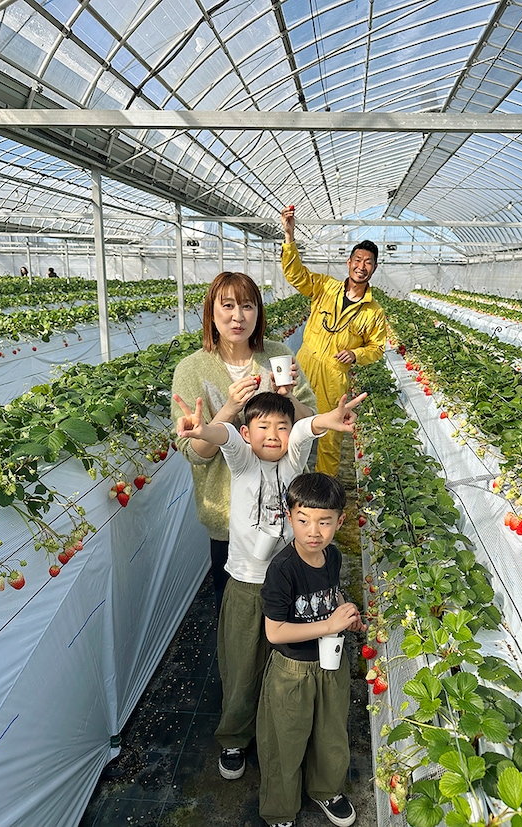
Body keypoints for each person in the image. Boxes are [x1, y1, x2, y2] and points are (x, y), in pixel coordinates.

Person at [173, 389, 366, 785]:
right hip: (247, 582)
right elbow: (224, 437)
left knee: (283, 666)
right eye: (263, 427)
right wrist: (204, 430)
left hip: (292, 583)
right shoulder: (243, 462)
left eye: (281, 426)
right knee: (242, 664)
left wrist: (327, 419)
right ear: (249, 433)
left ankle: (273, 735)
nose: (274, 435)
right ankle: (233, 738)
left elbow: (305, 429)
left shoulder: (294, 458)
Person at [171, 271, 317, 613]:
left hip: (285, 510)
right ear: (211, 313)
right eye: (228, 306)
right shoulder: (191, 370)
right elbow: (196, 454)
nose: (238, 316)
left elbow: (309, 420)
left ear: (258, 313)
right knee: (238, 611)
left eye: (248, 306)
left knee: (291, 605)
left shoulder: (277, 356)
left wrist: (288, 398)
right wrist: (229, 409)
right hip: (227, 515)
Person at [257, 472, 365, 827]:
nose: (313, 531)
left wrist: (345, 613)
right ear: (289, 518)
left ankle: (326, 790)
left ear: (340, 521)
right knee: (284, 741)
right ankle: (280, 809)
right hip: (292, 671)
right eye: (303, 520)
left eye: (324, 522)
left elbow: (332, 595)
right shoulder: (282, 570)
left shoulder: (331, 557)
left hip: (330, 662)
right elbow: (274, 632)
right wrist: (329, 626)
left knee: (331, 732)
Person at [279, 205, 387, 477]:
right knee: (287, 421)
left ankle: (322, 488)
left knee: (330, 434)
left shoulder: (373, 311)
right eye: (358, 260)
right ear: (349, 263)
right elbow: (296, 275)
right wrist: (289, 237)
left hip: (334, 375)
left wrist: (356, 354)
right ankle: (283, 477)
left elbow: (377, 348)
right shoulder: (325, 287)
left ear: (373, 269)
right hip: (304, 365)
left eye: (368, 262)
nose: (362, 267)